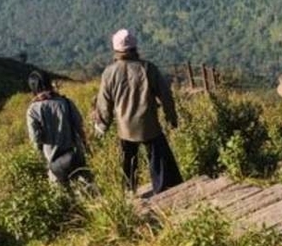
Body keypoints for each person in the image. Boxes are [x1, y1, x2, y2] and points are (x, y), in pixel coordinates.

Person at [94, 29, 183, 196]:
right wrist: (171, 118)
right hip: (149, 123)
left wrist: (101, 126)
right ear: (135, 47)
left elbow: (104, 104)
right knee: (159, 159)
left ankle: (129, 190)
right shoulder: (148, 68)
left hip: (125, 127)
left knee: (128, 160)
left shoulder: (109, 73)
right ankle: (163, 190)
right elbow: (166, 96)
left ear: (116, 50)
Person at [26, 71, 90, 188]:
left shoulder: (33, 110)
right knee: (85, 188)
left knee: (60, 194)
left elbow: (35, 139)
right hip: (75, 155)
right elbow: (80, 126)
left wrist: (41, 158)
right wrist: (86, 146)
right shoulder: (66, 102)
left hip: (53, 160)